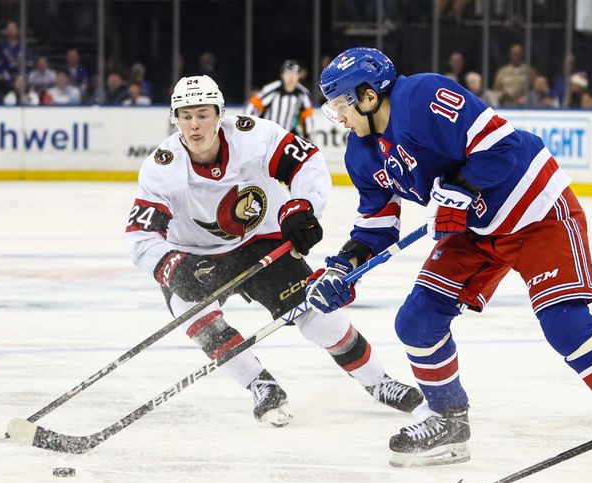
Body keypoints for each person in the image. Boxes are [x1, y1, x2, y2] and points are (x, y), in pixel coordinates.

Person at [310, 47, 592, 482]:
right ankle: (449, 422)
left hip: (534, 209)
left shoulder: (423, 95)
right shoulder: (362, 154)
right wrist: (344, 268)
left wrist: (460, 187)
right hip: (475, 229)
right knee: (417, 321)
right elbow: (376, 227)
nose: (338, 116)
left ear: (369, 96)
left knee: (564, 322)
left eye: (341, 104)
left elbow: (500, 147)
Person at [125, 75, 422, 426]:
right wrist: (170, 264)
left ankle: (378, 381)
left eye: (203, 114)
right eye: (185, 115)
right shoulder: (161, 168)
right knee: (191, 311)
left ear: (220, 114)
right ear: (175, 118)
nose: (194, 124)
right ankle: (259, 383)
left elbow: (307, 161)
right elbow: (140, 235)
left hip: (260, 241)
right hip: (195, 255)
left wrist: (302, 207)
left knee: (315, 315)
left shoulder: (254, 136)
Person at [242, 60, 315, 140]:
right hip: (268, 134)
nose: (291, 77)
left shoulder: (302, 93)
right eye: (288, 74)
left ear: (298, 75)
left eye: (294, 74)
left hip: (287, 136)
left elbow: (307, 116)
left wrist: (308, 136)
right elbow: (252, 105)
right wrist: (250, 128)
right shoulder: (272, 89)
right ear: (282, 75)